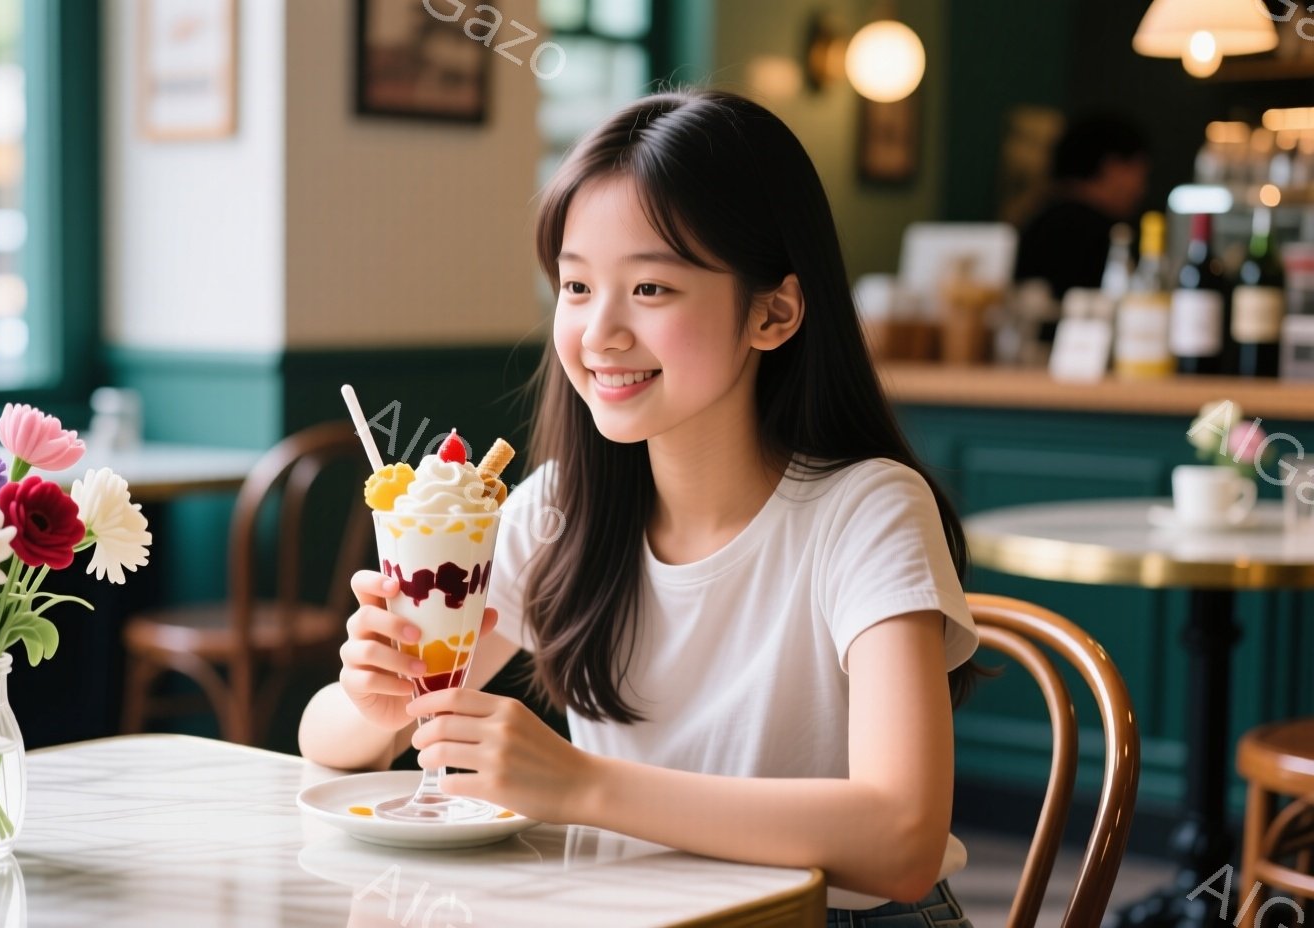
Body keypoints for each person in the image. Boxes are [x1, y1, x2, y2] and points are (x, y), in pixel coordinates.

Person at [299, 89, 980, 923]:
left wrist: (583, 785)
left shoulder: (868, 513)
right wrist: (380, 707)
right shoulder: (555, 513)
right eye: (577, 287)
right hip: (637, 908)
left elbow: (902, 842)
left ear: (774, 312)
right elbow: (323, 742)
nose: (599, 333)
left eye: (651, 288)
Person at [1014, 113, 1150, 300]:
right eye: (1140, 171)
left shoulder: (1037, 221)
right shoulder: (1108, 236)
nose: (1141, 188)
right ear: (1112, 167)